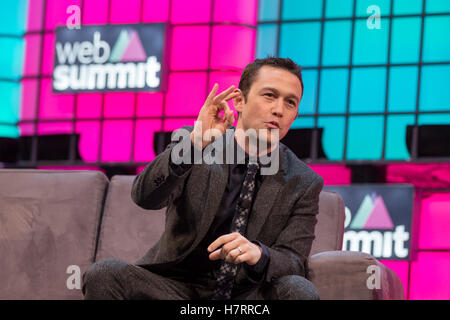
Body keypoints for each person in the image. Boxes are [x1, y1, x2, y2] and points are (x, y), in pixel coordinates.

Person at [82, 57, 324, 300]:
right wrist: (195, 144)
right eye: (269, 95)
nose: (279, 110)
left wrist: (259, 254)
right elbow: (144, 197)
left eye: (290, 102)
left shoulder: (303, 181)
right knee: (105, 274)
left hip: (245, 298)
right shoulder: (195, 142)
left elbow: (294, 262)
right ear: (239, 101)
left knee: (299, 290)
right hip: (176, 290)